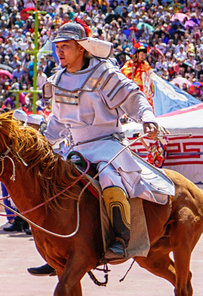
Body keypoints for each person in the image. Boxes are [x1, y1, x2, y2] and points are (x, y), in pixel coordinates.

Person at [40, 21, 174, 259]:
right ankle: (56, 252)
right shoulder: (57, 79)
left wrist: (147, 117)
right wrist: (41, 142)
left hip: (106, 144)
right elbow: (58, 122)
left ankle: (120, 239)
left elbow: (133, 96)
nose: (59, 51)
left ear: (81, 48)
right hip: (72, 147)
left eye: (66, 46)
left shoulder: (103, 73)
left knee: (109, 177)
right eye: (57, 46)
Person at [120, 42, 155, 107]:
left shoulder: (146, 64)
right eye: (141, 54)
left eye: (144, 55)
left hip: (144, 88)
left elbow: (150, 76)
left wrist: (152, 86)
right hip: (133, 86)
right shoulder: (130, 63)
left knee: (147, 104)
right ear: (137, 54)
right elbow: (122, 71)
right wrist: (130, 70)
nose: (143, 56)